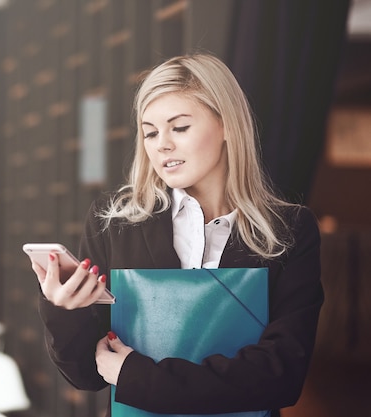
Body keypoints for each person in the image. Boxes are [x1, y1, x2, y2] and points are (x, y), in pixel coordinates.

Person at [30, 53, 323, 416]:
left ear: (227, 125)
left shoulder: (289, 230)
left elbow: (280, 375)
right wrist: (63, 309)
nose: (161, 144)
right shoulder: (115, 222)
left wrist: (137, 375)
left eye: (179, 127)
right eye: (150, 132)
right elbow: (88, 376)